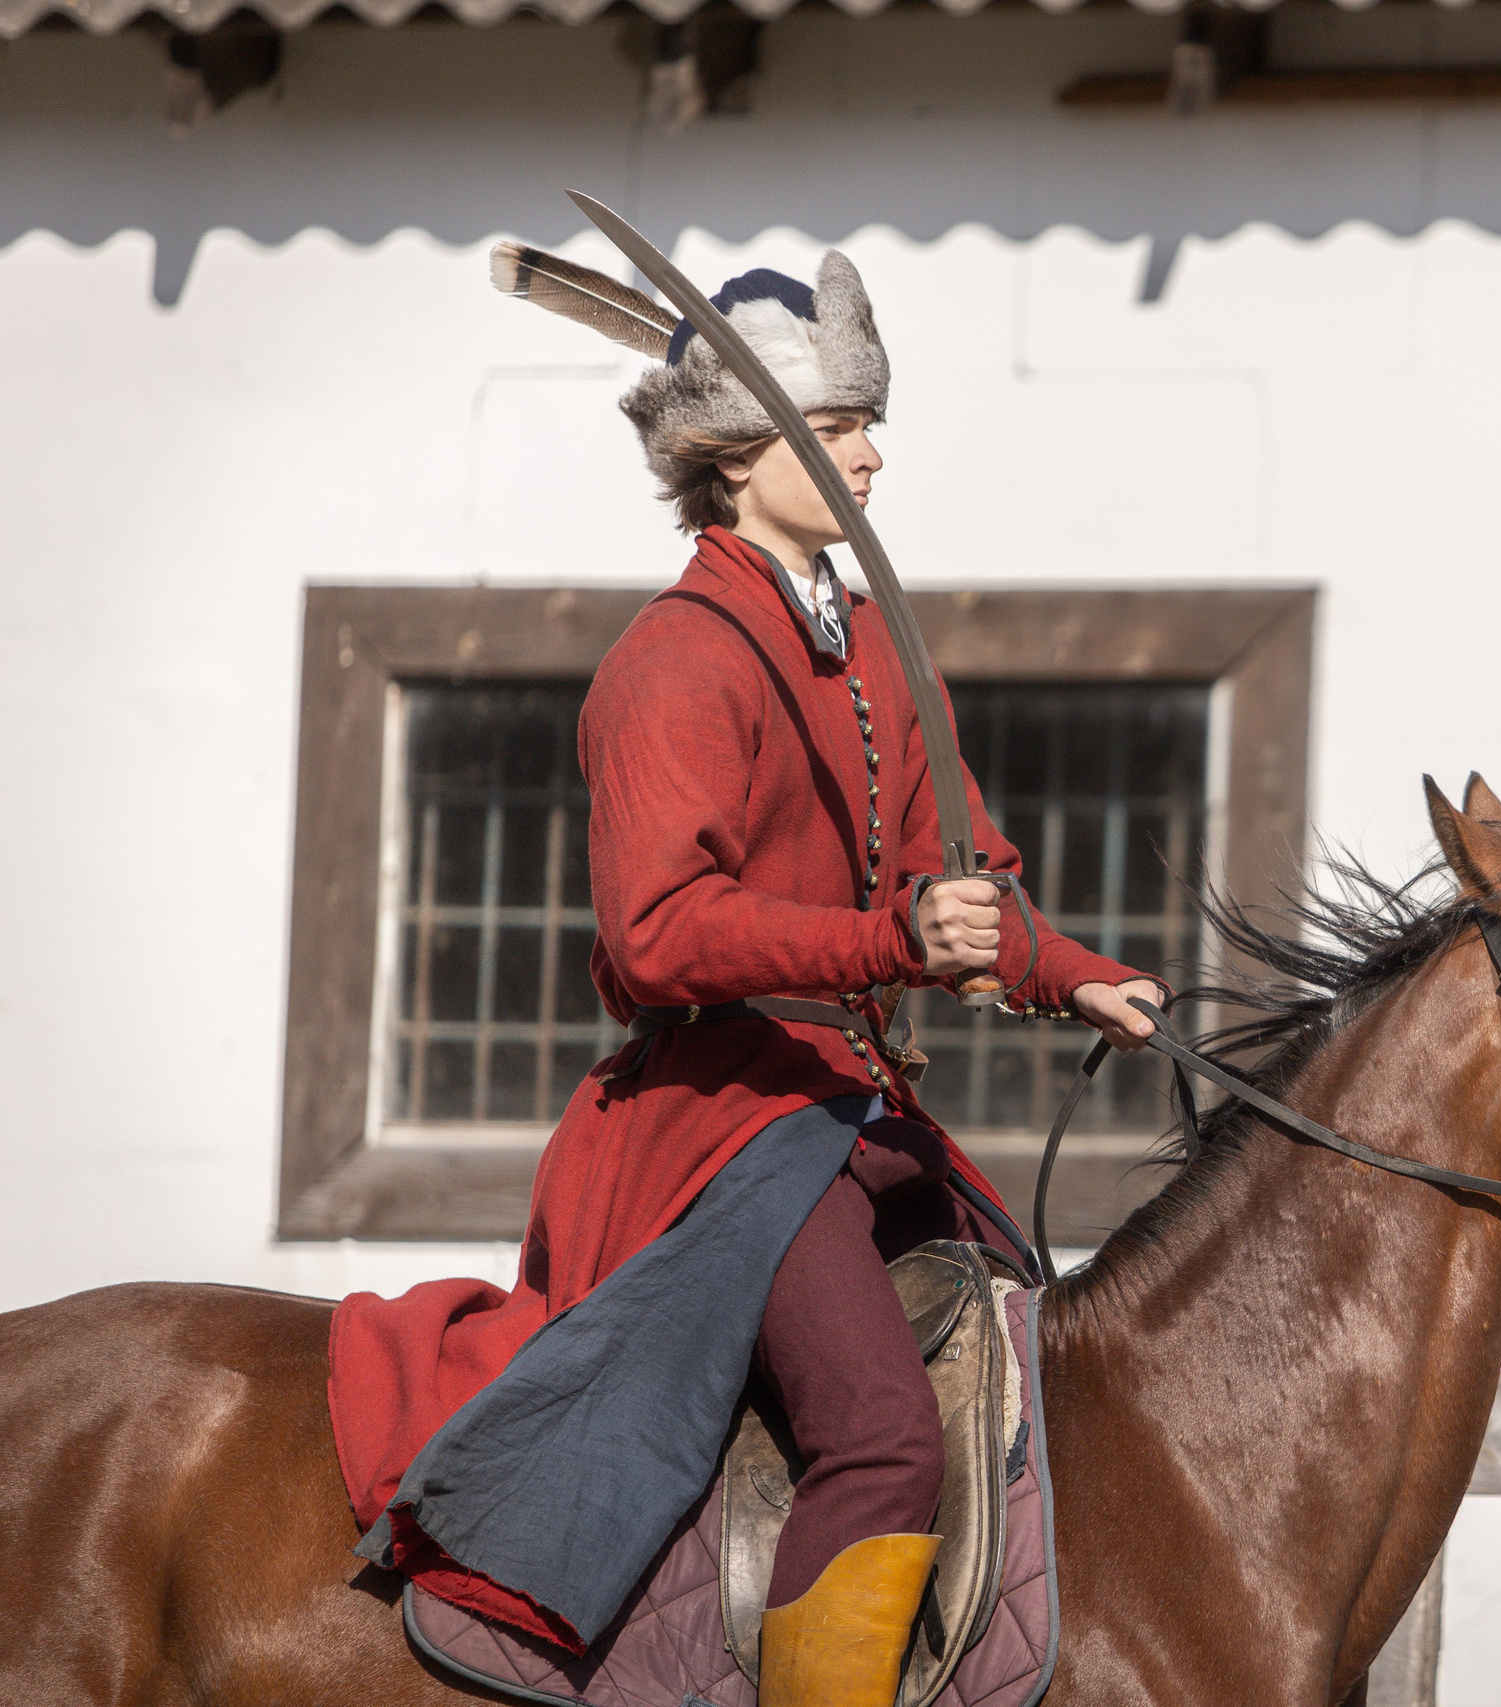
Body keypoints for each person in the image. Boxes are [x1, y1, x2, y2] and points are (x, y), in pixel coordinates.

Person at [326, 248, 1164, 1707]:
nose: (870, 453)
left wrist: (1080, 977)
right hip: (716, 1126)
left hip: (854, 1109)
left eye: (868, 424)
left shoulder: (876, 652)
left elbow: (963, 888)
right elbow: (658, 936)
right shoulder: (674, 661)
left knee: (1038, 1372)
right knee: (885, 1440)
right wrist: (891, 947)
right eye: (836, 428)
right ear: (732, 457)